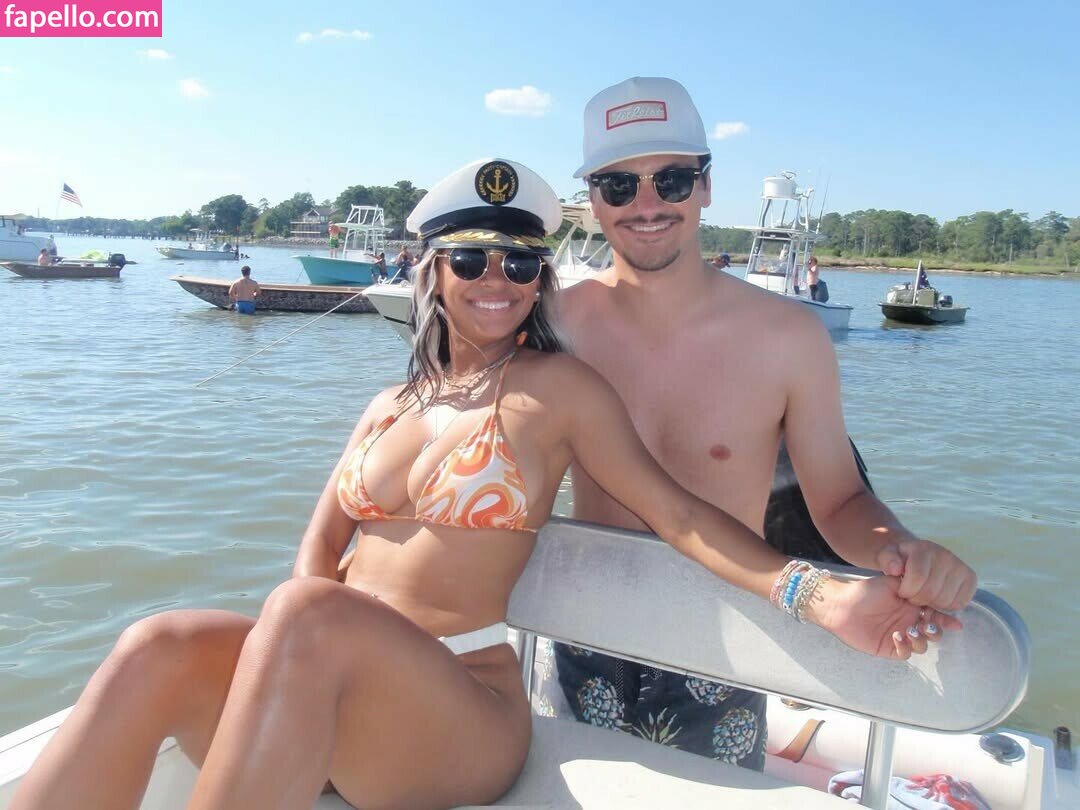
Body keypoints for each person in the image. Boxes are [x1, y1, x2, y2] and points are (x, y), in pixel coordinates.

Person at [10, 158, 964, 810]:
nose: (495, 278)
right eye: (469, 258)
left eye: (520, 261)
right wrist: (281, 683)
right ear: (432, 270)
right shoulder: (390, 403)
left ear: (540, 277)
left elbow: (678, 516)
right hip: (329, 679)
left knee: (305, 612)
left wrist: (817, 594)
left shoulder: (558, 392)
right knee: (157, 644)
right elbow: (321, 549)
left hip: (462, 706)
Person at [549, 76, 977, 769]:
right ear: (594, 199)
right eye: (619, 185)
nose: (647, 204)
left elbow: (838, 500)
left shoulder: (788, 337)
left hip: (726, 639)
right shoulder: (555, 326)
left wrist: (903, 552)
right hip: (582, 626)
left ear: (706, 185)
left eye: (671, 179)